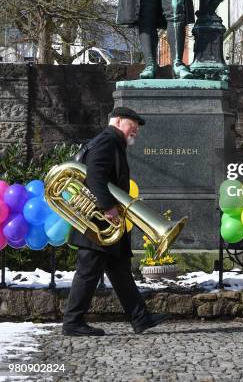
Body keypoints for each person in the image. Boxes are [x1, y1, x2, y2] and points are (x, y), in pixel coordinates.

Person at [62, 107, 168, 336]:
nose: (136, 131)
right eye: (133, 125)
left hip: (104, 222)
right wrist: (108, 206)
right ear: (118, 121)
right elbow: (95, 176)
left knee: (120, 270)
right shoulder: (107, 141)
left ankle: (141, 318)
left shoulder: (112, 141)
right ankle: (72, 323)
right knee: (88, 271)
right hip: (98, 222)